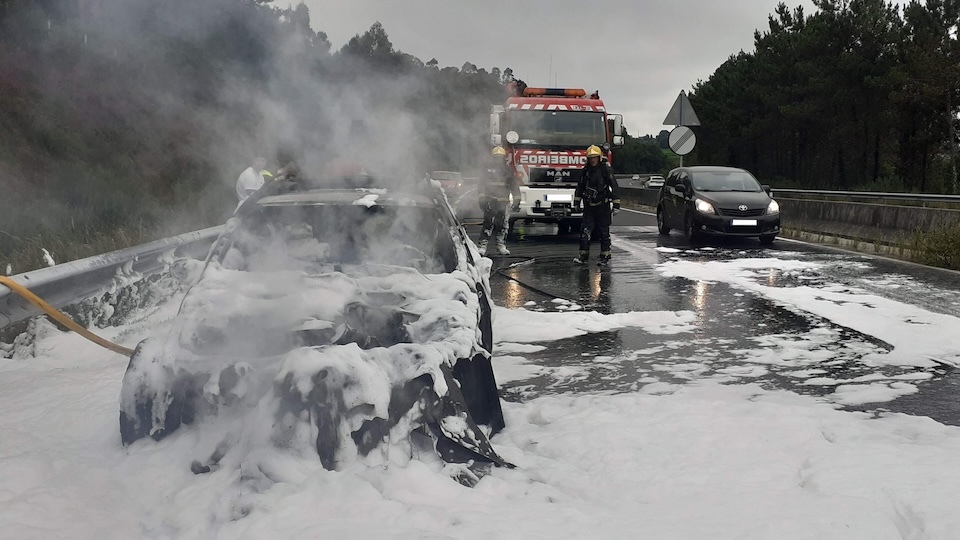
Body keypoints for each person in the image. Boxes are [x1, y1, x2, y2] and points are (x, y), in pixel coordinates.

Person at [573, 145, 620, 265]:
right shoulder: (586, 171)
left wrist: (616, 205)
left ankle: (605, 256)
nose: (593, 160)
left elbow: (614, 186)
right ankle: (583, 256)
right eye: (590, 158)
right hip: (589, 206)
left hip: (602, 206)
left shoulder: (605, 170)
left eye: (594, 157)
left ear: (599, 157)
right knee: (585, 231)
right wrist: (577, 202)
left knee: (603, 232)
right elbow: (580, 187)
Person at [477, 146, 521, 256]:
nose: (498, 160)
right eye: (496, 157)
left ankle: (501, 245)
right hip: (490, 201)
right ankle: (483, 245)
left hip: (503, 202)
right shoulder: (487, 170)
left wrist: (517, 199)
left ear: (503, 158)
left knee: (502, 225)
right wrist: (482, 198)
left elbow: (514, 186)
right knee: (488, 223)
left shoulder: (508, 170)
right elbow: (481, 185)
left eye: (499, 157)